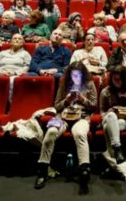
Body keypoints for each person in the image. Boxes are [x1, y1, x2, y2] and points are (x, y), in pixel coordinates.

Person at [34, 62, 97, 194]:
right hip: (62, 116)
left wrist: (82, 99)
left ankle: (84, 171)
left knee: (80, 134)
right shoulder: (64, 85)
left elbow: (94, 107)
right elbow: (56, 106)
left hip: (81, 116)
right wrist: (67, 101)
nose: (76, 78)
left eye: (78, 75)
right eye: (73, 75)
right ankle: (42, 170)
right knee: (51, 132)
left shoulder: (90, 85)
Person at [99, 65, 126, 166]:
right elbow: (101, 111)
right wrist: (107, 113)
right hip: (107, 118)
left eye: (119, 79)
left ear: (124, 79)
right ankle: (117, 149)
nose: (117, 82)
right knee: (111, 116)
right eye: (114, 79)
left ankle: (112, 161)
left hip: (123, 121)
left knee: (111, 126)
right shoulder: (106, 91)